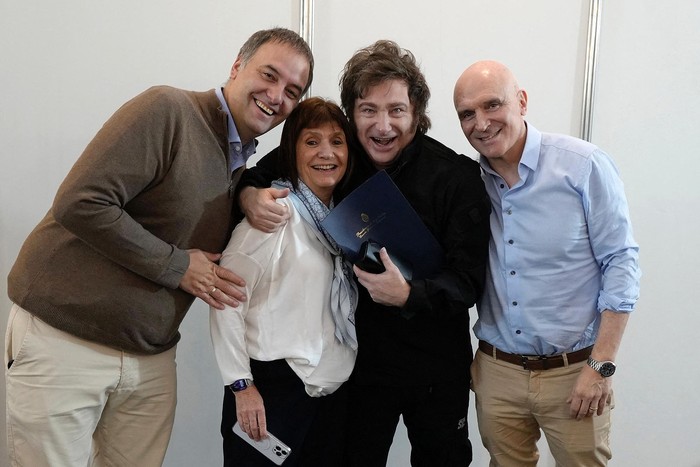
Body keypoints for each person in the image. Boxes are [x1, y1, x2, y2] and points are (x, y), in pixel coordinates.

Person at [5, 28, 312, 467]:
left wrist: (245, 194)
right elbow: (81, 202)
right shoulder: (169, 109)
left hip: (150, 356)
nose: (276, 94)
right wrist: (178, 266)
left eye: (292, 91)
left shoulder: (241, 162)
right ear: (237, 66)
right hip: (65, 341)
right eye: (269, 74)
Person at [239, 40, 491, 467]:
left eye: (396, 110)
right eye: (368, 110)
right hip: (362, 370)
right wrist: (248, 193)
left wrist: (410, 294)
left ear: (417, 113)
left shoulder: (457, 176)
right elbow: (272, 167)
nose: (382, 125)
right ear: (353, 114)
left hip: (436, 368)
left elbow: (468, 282)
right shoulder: (341, 159)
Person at [452, 60, 641, 466]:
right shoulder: (467, 182)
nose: (480, 123)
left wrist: (601, 365)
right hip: (497, 370)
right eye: (467, 114)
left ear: (521, 102)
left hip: (575, 371)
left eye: (492, 105)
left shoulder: (582, 166)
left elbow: (621, 262)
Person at [210, 97, 358, 467]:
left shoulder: (341, 223)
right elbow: (226, 300)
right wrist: (241, 386)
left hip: (329, 397)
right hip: (270, 391)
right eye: (311, 141)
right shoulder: (273, 214)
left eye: (337, 141)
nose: (327, 153)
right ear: (291, 151)